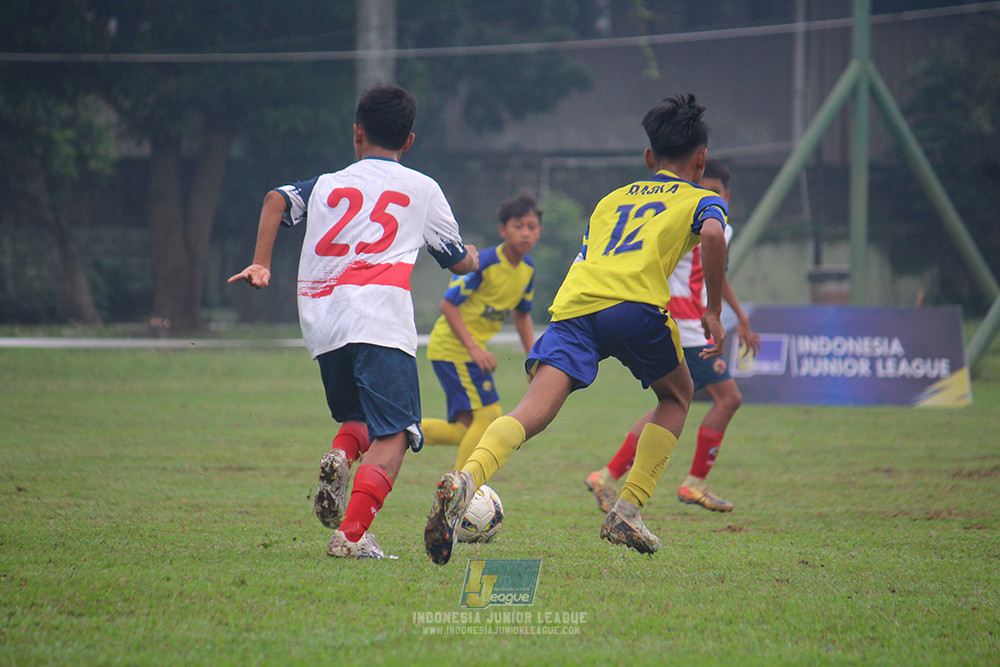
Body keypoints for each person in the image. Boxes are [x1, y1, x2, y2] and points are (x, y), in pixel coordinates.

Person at [423, 93, 728, 564]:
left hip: (575, 305)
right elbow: (711, 235)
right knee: (678, 396)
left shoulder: (611, 200)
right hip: (634, 306)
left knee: (530, 412)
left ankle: (466, 480)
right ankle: (627, 509)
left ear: (649, 158)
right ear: (702, 158)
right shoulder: (703, 199)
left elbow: (586, 258)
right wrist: (712, 309)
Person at [229, 84, 479, 559]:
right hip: (380, 319)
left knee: (360, 417)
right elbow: (454, 259)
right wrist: (471, 258)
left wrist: (261, 263)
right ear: (409, 141)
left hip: (323, 322)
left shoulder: (325, 184)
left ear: (357, 133)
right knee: (396, 433)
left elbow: (275, 200)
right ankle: (351, 536)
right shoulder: (422, 187)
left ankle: (341, 455)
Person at [585, 160, 761, 514]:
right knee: (726, 399)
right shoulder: (693, 217)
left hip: (684, 321)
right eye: (702, 190)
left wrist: (740, 317)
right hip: (685, 325)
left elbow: (715, 272)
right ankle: (692, 483)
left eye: (713, 194)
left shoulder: (711, 224)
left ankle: (609, 474)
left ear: (726, 196)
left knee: (673, 402)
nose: (705, 198)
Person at [421, 191, 541, 470]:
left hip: (464, 352)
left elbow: (522, 315)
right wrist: (475, 349)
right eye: (518, 226)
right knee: (489, 415)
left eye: (532, 227)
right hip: (453, 349)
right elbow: (448, 306)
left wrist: (533, 359)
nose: (525, 233)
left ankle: (390, 432)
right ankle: (460, 489)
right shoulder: (484, 263)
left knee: (464, 431)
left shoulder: (528, 270)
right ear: (503, 229)